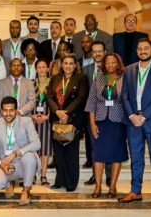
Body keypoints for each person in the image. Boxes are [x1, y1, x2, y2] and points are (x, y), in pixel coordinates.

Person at [120, 38, 151, 209]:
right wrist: (132, 115)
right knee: (136, 158)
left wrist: (145, 115)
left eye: (146, 48)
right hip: (133, 121)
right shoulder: (129, 70)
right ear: (137, 51)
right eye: (140, 49)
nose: (143, 51)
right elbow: (124, 95)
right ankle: (136, 191)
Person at [85, 53, 128, 198]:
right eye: (107, 62)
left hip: (118, 122)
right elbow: (91, 102)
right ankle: (97, 186)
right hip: (100, 121)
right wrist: (92, 123)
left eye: (113, 62)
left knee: (116, 155)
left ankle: (113, 187)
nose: (110, 65)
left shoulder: (124, 79)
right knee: (98, 155)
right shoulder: (98, 78)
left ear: (118, 64)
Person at [0, 96, 41, 205]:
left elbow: (37, 144)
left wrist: (16, 153)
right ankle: (9, 183)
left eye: (11, 110)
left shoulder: (26, 121)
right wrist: (1, 165)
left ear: (16, 110)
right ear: (1, 111)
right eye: (5, 110)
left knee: (29, 158)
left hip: (23, 162)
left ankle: (26, 190)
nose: (8, 114)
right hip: (7, 164)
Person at [47, 54, 88, 192]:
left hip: (72, 120)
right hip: (57, 120)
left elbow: (81, 98)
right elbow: (49, 97)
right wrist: (57, 111)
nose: (68, 66)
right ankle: (60, 181)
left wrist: (66, 113)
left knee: (71, 153)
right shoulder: (55, 78)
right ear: (61, 65)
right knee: (59, 153)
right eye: (66, 63)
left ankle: (71, 183)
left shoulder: (81, 78)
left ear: (75, 65)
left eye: (71, 63)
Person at [82, 40, 108, 182]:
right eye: (95, 51)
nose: (97, 54)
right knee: (93, 145)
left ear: (105, 52)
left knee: (109, 144)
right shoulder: (86, 70)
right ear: (91, 54)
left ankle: (109, 176)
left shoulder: (110, 68)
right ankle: (95, 175)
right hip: (90, 114)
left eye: (100, 51)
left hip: (108, 114)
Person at [32, 59, 52, 187]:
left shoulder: (53, 83)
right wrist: (31, 115)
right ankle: (33, 174)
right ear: (36, 69)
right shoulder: (31, 84)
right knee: (34, 148)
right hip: (33, 121)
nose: (42, 70)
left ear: (48, 69)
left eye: (44, 67)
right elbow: (27, 101)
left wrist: (48, 116)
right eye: (39, 67)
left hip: (47, 120)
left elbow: (56, 101)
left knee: (45, 148)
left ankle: (43, 175)